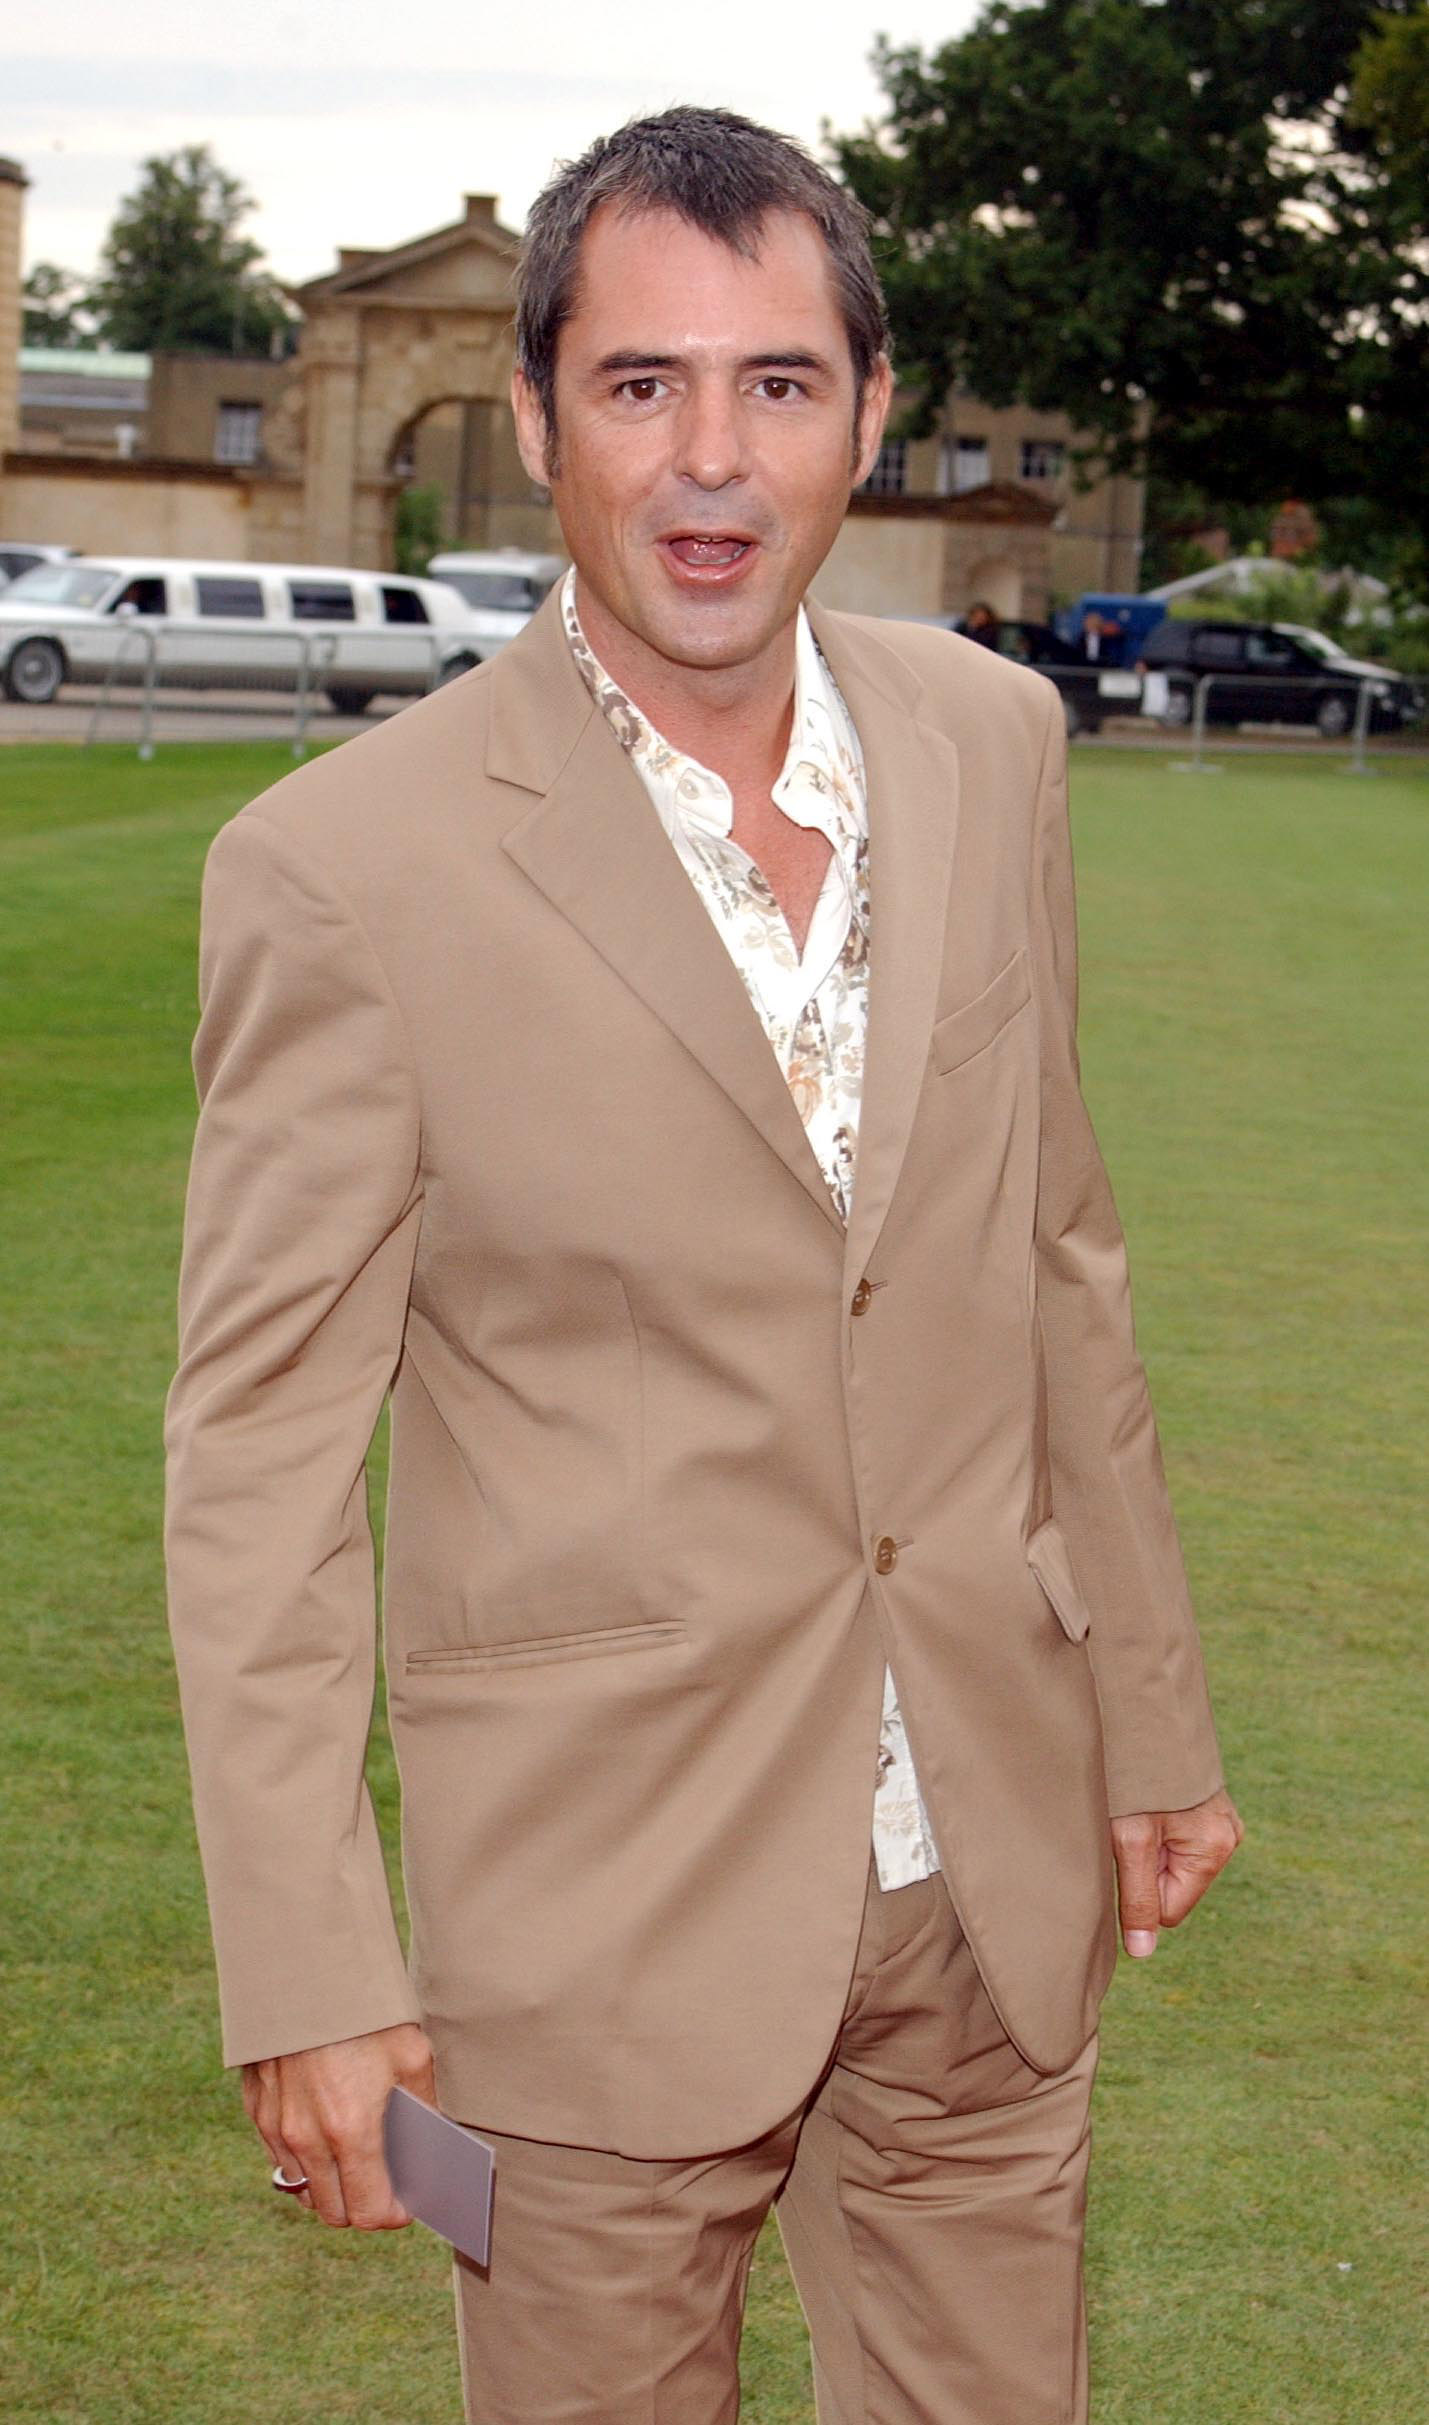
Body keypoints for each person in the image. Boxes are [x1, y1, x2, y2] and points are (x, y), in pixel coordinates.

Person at [164, 105, 1241, 2425]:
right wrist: (311, 1973)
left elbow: (1056, 1250)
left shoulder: (990, 737)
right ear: (539, 417)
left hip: (985, 1860)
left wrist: (1145, 1709)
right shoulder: (345, 868)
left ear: (871, 406)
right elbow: (255, 1462)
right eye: (641, 385)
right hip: (590, 1939)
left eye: (773, 381)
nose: (707, 461)